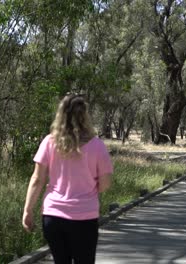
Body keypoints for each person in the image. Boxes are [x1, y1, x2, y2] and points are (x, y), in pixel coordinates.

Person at [22, 94, 113, 264]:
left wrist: (28, 210)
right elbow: (105, 183)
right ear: (85, 116)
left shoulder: (49, 142)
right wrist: (91, 189)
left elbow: (37, 179)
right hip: (84, 218)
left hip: (53, 217)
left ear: (61, 115)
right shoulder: (97, 146)